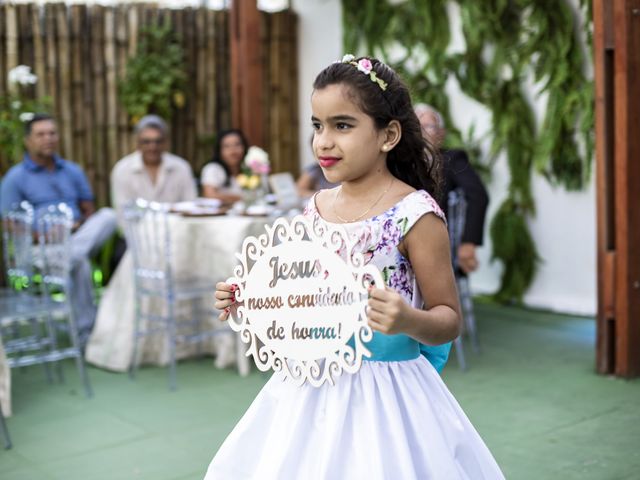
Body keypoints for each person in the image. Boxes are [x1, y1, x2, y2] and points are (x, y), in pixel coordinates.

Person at [205, 56, 504, 479]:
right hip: (310, 390)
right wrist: (251, 298)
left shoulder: (414, 215)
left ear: (388, 135)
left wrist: (407, 318)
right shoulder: (315, 209)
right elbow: (303, 292)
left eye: (342, 126)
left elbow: (449, 319)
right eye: (317, 125)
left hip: (387, 396)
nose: (324, 142)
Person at [0, 113, 117, 344]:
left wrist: (77, 225)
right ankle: (85, 335)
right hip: (39, 248)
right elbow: (9, 223)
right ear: (28, 141)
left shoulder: (72, 170)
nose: (48, 138)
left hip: (75, 238)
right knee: (79, 263)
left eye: (52, 133)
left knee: (109, 216)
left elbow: (88, 209)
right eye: (41, 134)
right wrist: (42, 235)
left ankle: (72, 252)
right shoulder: (16, 177)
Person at [414, 103, 489, 275]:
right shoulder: (396, 162)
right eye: (416, 125)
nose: (421, 132)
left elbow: (478, 195)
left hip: (434, 241)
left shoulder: (452, 159)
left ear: (441, 134)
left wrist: (468, 243)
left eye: (429, 126)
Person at [110, 114, 197, 215]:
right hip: (136, 229)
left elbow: (191, 205)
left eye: (158, 141)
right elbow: (122, 211)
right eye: (146, 142)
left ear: (165, 142)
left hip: (176, 228)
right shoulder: (122, 170)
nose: (153, 147)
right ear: (137, 143)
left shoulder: (181, 167)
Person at [200, 129, 248, 204]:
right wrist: (241, 198)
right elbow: (209, 195)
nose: (233, 150)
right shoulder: (213, 168)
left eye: (237, 144)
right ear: (219, 150)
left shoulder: (248, 168)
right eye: (227, 146)